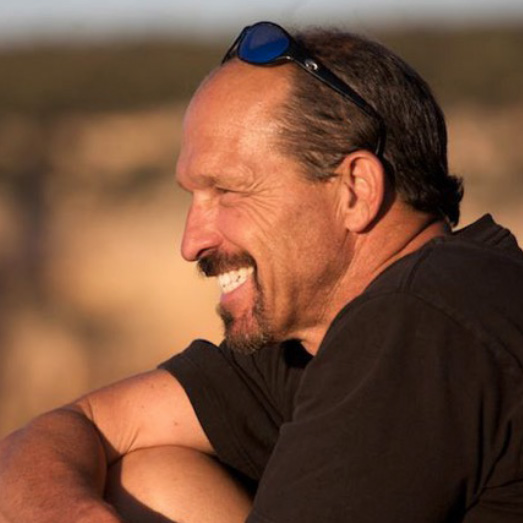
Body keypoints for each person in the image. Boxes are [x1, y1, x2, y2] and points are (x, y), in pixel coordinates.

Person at [1, 20, 523, 523]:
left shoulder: (420, 320)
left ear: (356, 190)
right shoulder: (315, 343)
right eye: (193, 197)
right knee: (144, 477)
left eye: (228, 191)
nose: (191, 243)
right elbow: (67, 431)